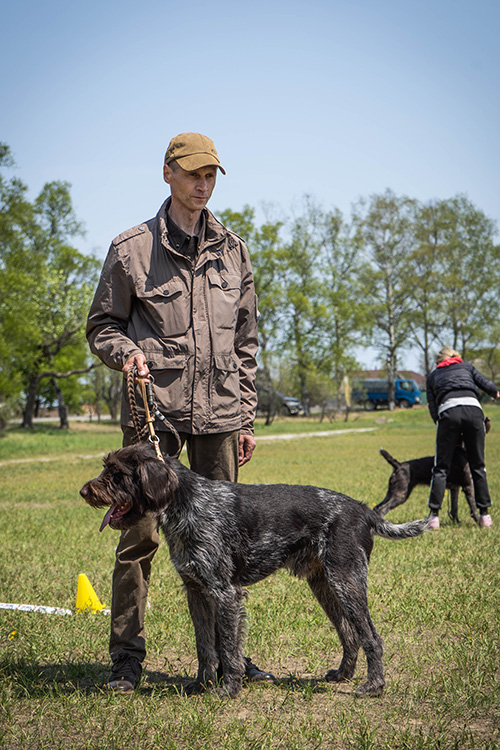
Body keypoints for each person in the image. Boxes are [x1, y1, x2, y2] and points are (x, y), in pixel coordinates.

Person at [87, 132, 275, 691]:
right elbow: (102, 328)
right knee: (139, 539)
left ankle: (227, 662)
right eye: (193, 173)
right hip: (153, 422)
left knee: (227, 547)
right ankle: (127, 660)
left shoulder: (233, 250)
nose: (203, 184)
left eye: (211, 174)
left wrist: (244, 416)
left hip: (219, 419)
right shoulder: (131, 249)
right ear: (167, 173)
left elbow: (246, 343)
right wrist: (129, 354)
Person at [426, 347, 499, 529]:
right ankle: (484, 516)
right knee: (478, 466)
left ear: (439, 361)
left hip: (448, 413)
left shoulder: (433, 376)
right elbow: (487, 385)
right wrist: (495, 393)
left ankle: (434, 517)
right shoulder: (467, 367)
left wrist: (441, 423)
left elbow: (432, 405)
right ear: (456, 357)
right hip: (474, 412)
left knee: (441, 467)